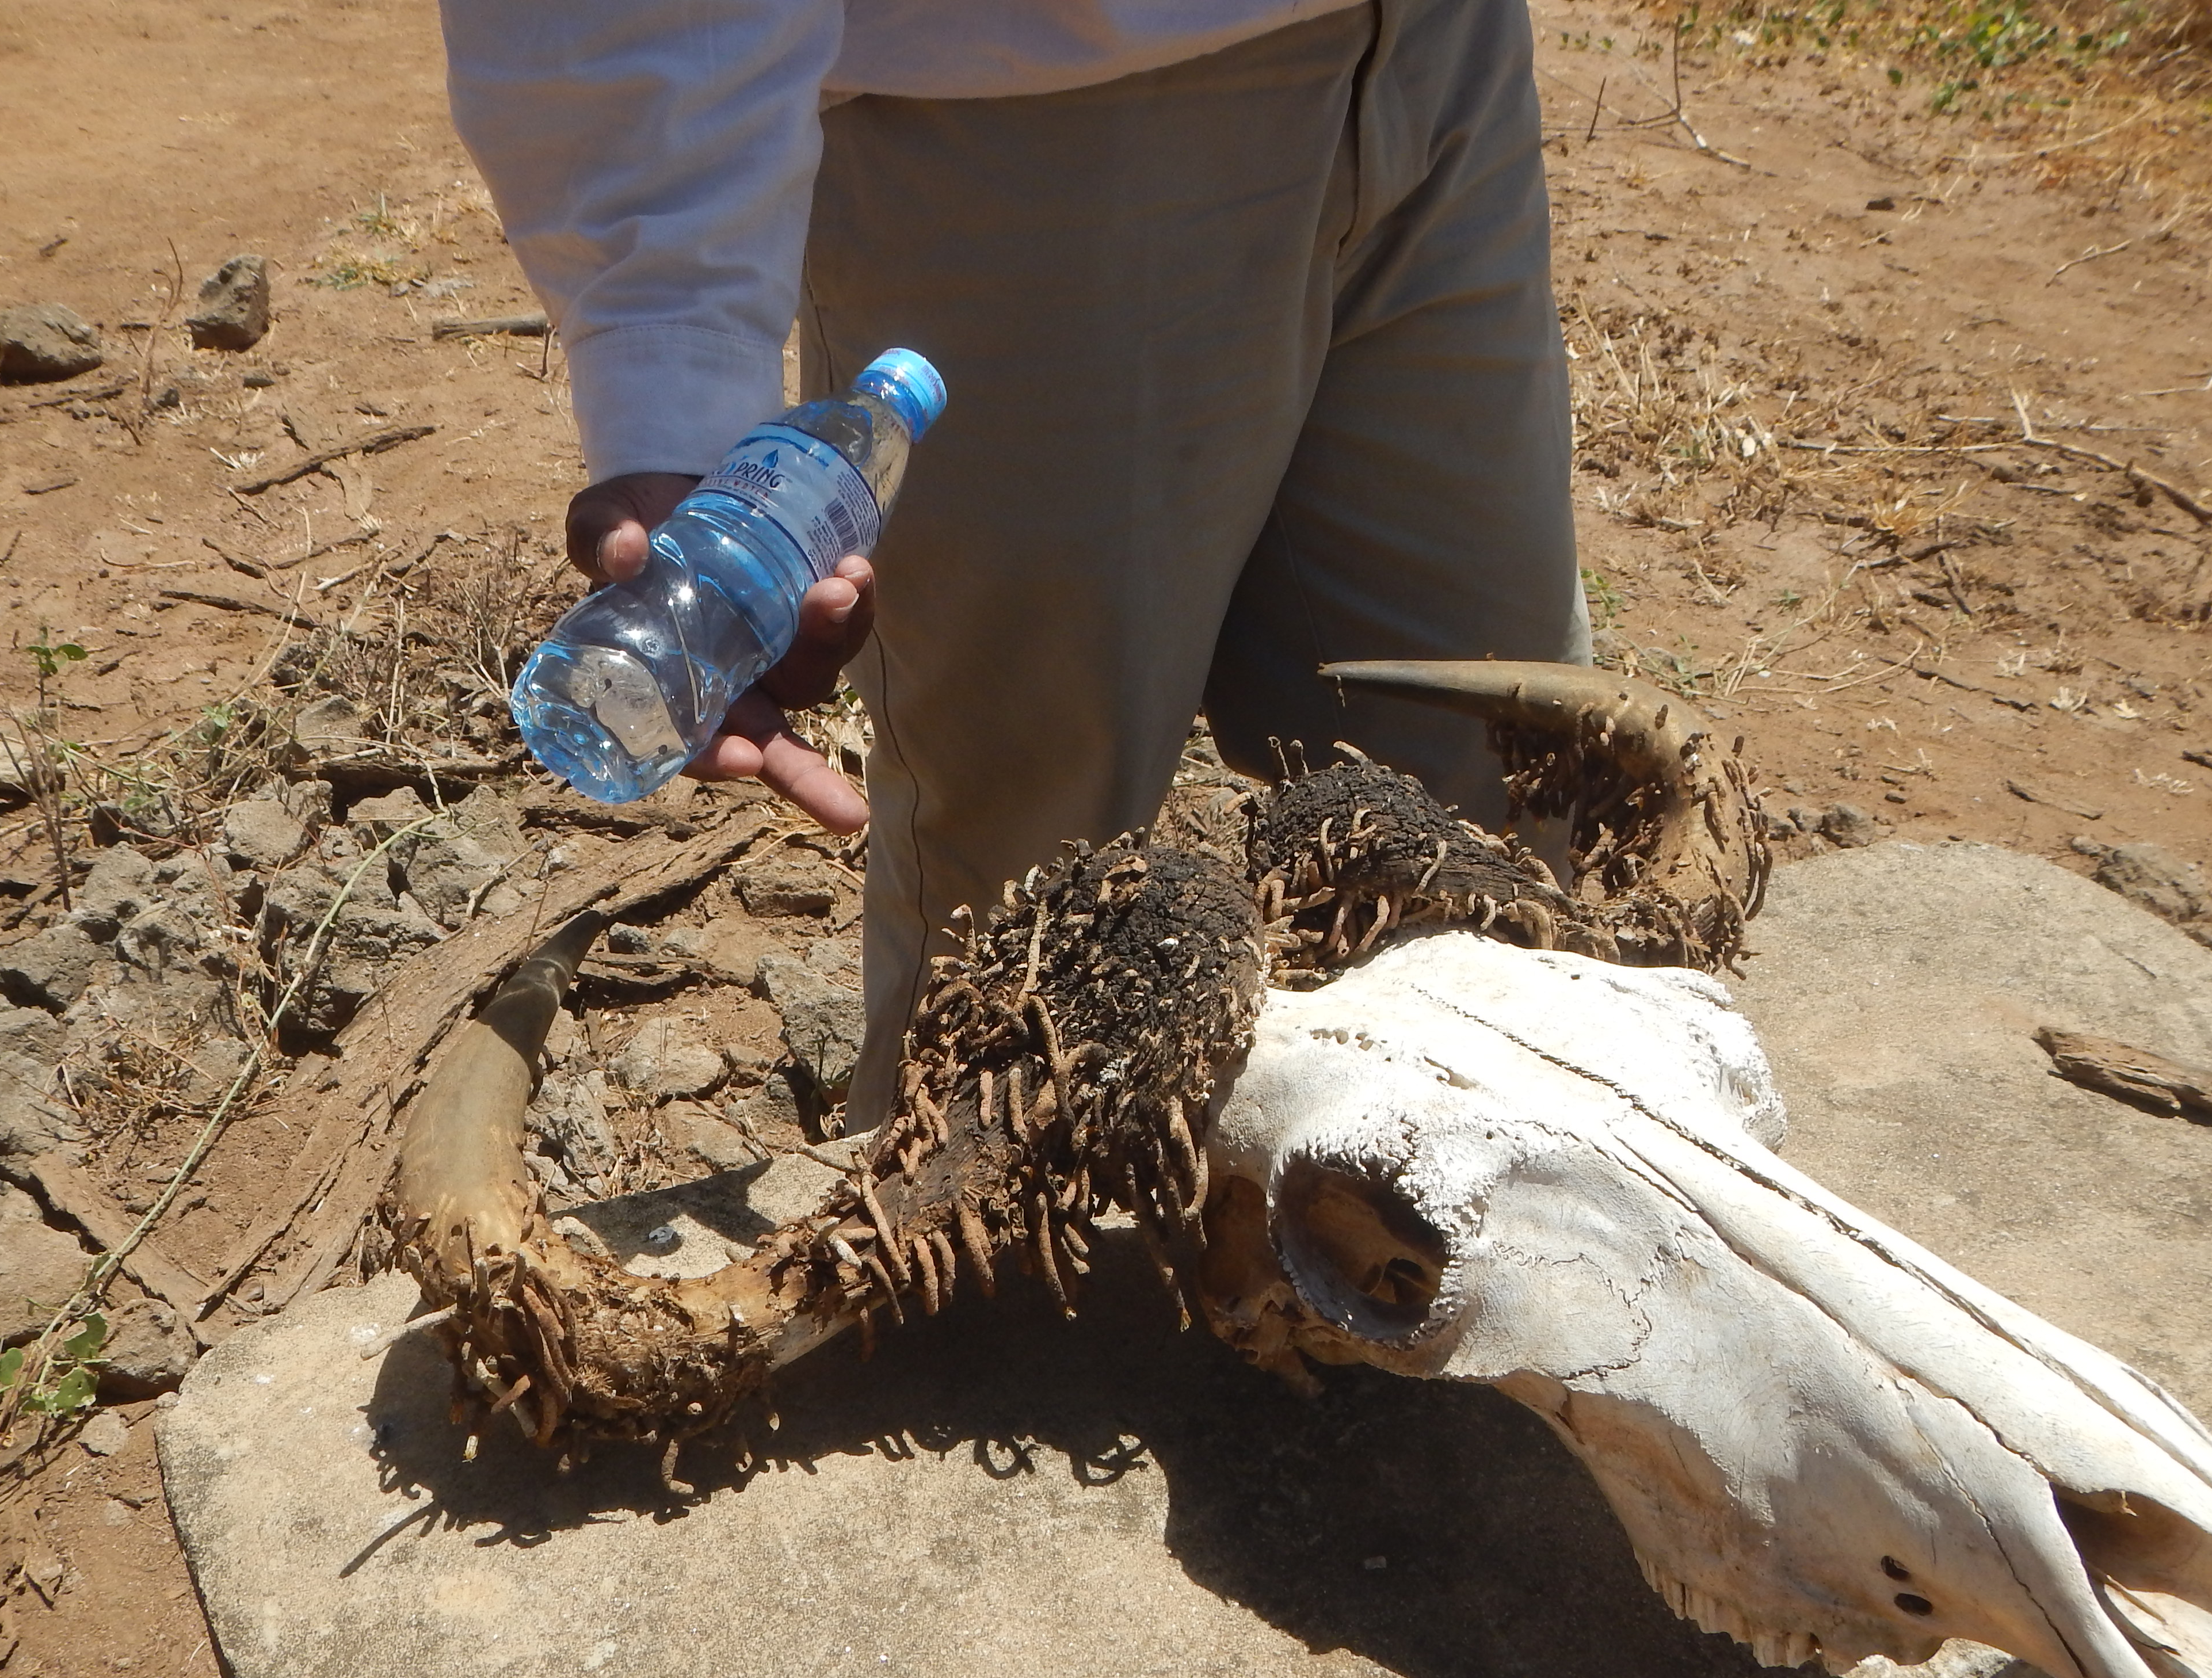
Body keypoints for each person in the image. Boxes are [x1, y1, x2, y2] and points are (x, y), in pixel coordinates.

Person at [441, 0, 1589, 1126]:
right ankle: (941, 1245)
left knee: (1496, 790)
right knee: (1020, 919)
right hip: (1030, 116)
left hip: (1447, 55)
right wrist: (674, 373)